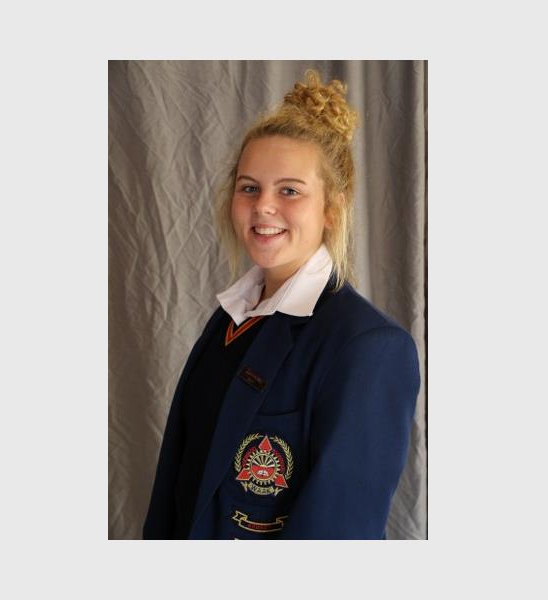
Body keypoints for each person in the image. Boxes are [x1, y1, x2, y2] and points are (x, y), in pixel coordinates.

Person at [142, 69, 420, 540]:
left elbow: (338, 535)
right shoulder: (229, 318)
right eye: (249, 187)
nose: (263, 206)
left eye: (289, 190)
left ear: (332, 208)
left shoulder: (370, 347)